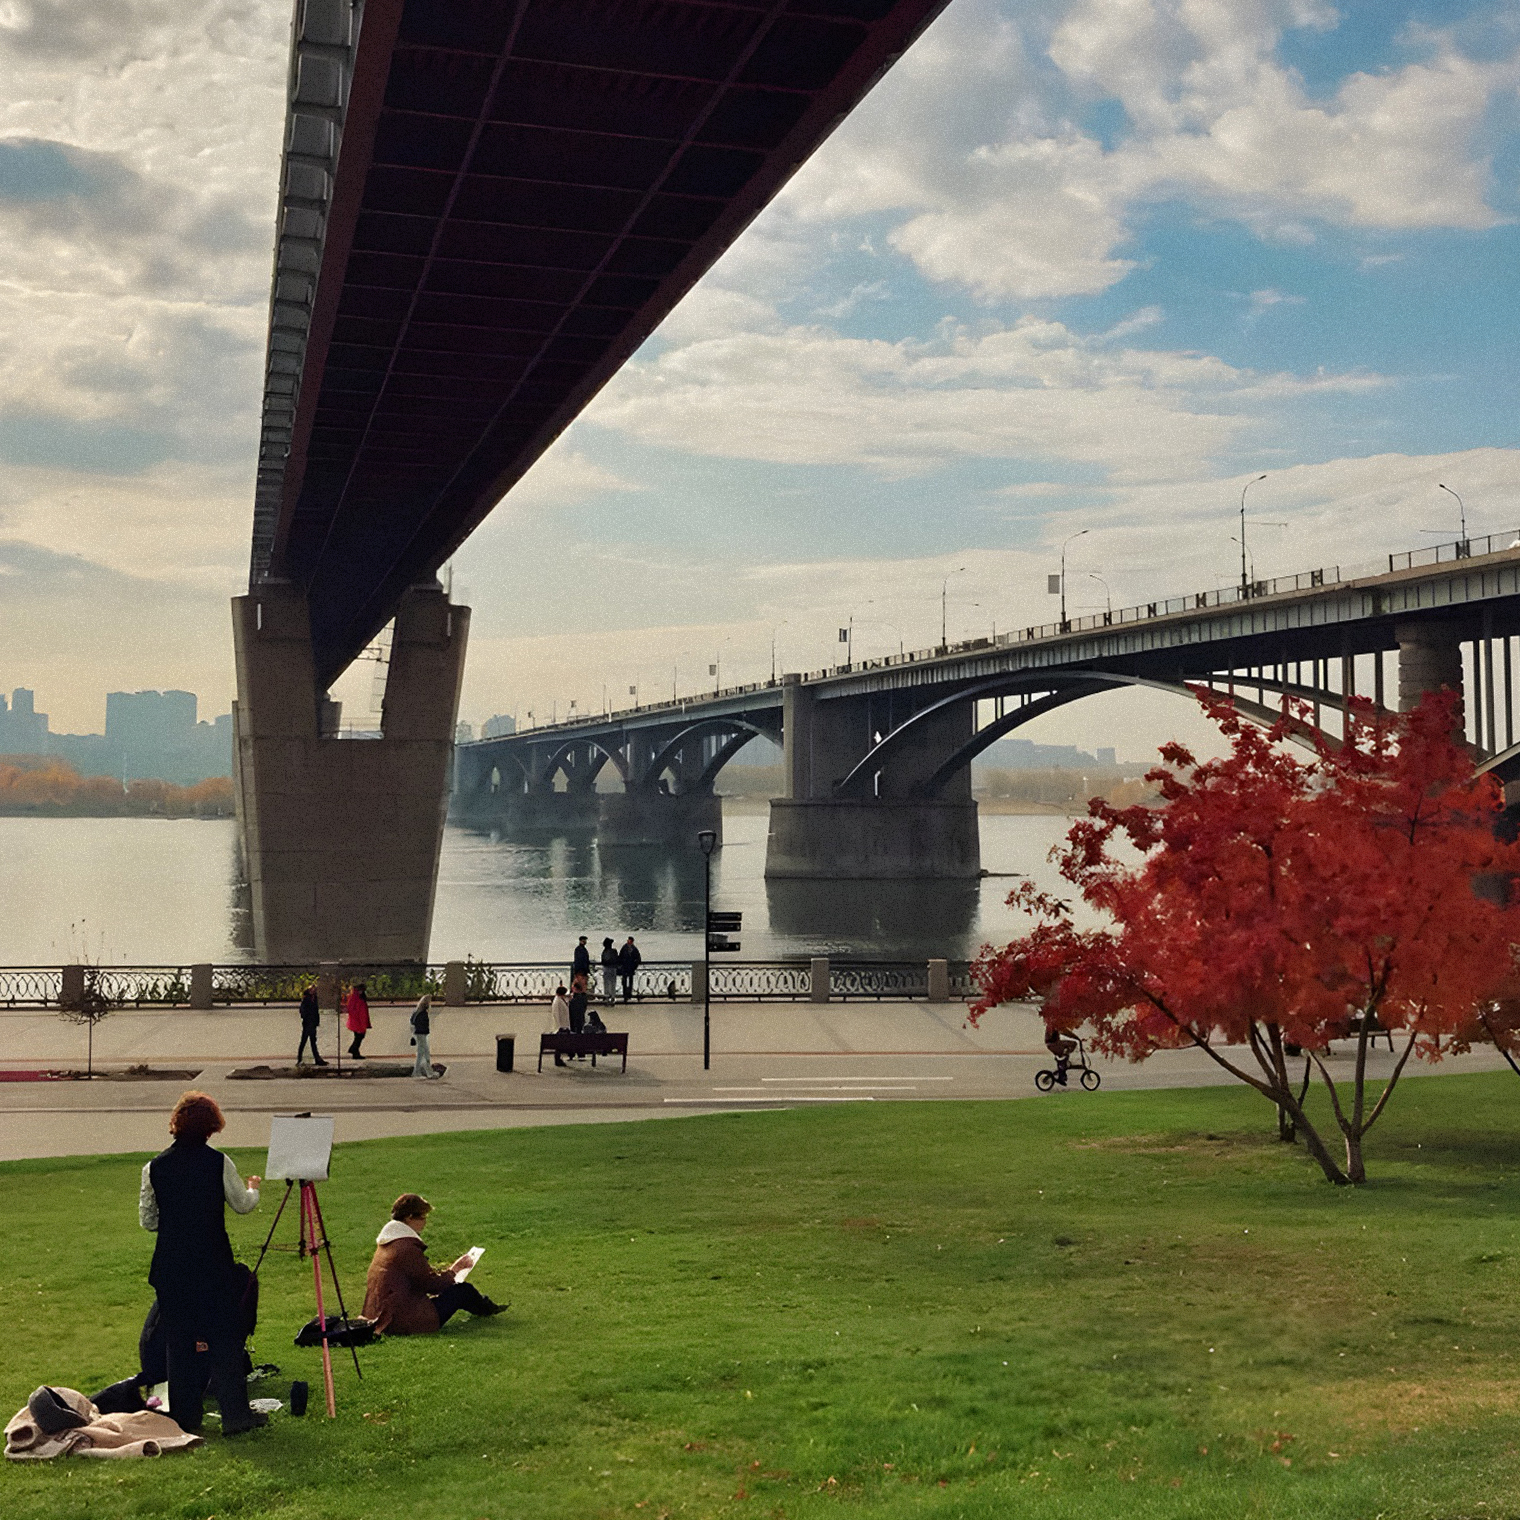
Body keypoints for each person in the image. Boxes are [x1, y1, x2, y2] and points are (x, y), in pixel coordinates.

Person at [139, 1091, 266, 1435]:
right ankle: (235, 1416)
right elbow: (241, 1205)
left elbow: (148, 1221)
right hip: (212, 1263)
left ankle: (185, 1418)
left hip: (172, 1266)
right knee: (224, 1339)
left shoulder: (154, 1167)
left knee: (178, 1344)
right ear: (211, 1126)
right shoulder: (219, 1162)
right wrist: (254, 1188)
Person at [361, 1193, 505, 1334]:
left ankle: (487, 1307)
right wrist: (454, 1271)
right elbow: (431, 1285)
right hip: (399, 1320)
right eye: (423, 1216)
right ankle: (488, 1309)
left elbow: (418, 1277)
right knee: (462, 1291)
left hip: (378, 1314)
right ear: (409, 1217)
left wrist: (446, 1273)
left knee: (458, 1291)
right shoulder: (406, 1248)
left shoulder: (388, 1243)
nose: (425, 1221)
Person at [410, 993, 440, 1080]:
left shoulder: (416, 1012)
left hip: (419, 1033)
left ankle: (421, 1071)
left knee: (423, 1052)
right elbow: (423, 1024)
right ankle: (421, 1072)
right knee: (422, 1053)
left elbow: (412, 1022)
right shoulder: (423, 1013)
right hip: (422, 1034)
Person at [297, 984, 326, 1067]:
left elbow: (316, 1011)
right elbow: (302, 1010)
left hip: (312, 1023)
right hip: (307, 1023)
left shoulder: (314, 999)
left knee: (313, 1042)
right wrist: (307, 1018)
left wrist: (316, 1022)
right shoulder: (306, 999)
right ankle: (300, 1059)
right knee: (304, 1041)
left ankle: (317, 1059)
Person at [345, 981, 371, 1059]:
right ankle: (353, 1050)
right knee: (359, 1036)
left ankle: (355, 1051)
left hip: (360, 1020)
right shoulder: (355, 997)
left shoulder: (358, 997)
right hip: (357, 1020)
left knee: (359, 1037)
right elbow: (351, 1009)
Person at [549, 984, 571, 1066]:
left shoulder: (560, 1000)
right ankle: (558, 1059)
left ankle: (560, 1058)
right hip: (560, 1026)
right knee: (559, 1044)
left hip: (564, 1025)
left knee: (562, 1044)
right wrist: (558, 1027)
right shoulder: (557, 1001)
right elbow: (556, 1014)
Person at [617, 935, 642, 1003]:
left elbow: (638, 958)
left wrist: (634, 966)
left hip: (630, 968)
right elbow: (620, 957)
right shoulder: (625, 948)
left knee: (630, 982)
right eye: (628, 940)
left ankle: (629, 994)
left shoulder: (633, 949)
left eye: (629, 941)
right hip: (625, 968)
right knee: (624, 982)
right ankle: (625, 995)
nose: (628, 942)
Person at [598, 937, 618, 1004]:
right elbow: (617, 959)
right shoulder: (614, 951)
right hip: (613, 969)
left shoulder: (604, 952)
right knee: (613, 983)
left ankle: (607, 997)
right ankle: (612, 997)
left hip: (606, 969)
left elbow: (603, 961)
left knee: (606, 983)